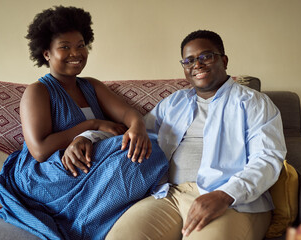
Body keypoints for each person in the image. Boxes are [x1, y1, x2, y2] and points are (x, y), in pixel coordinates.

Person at [0, 6, 168, 240]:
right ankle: (83, 227)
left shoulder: (91, 86)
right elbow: (40, 150)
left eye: (80, 45)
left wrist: (136, 128)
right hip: (48, 172)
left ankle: (88, 217)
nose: (76, 53)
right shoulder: (38, 91)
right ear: (46, 53)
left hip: (88, 160)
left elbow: (129, 114)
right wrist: (92, 125)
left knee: (148, 149)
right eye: (65, 47)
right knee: (133, 151)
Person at [105, 30, 287, 240]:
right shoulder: (174, 103)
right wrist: (89, 136)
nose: (197, 65)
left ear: (224, 60)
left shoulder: (252, 102)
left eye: (206, 57)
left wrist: (225, 195)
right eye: (189, 60)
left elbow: (267, 158)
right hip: (168, 195)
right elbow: (137, 135)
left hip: (233, 202)